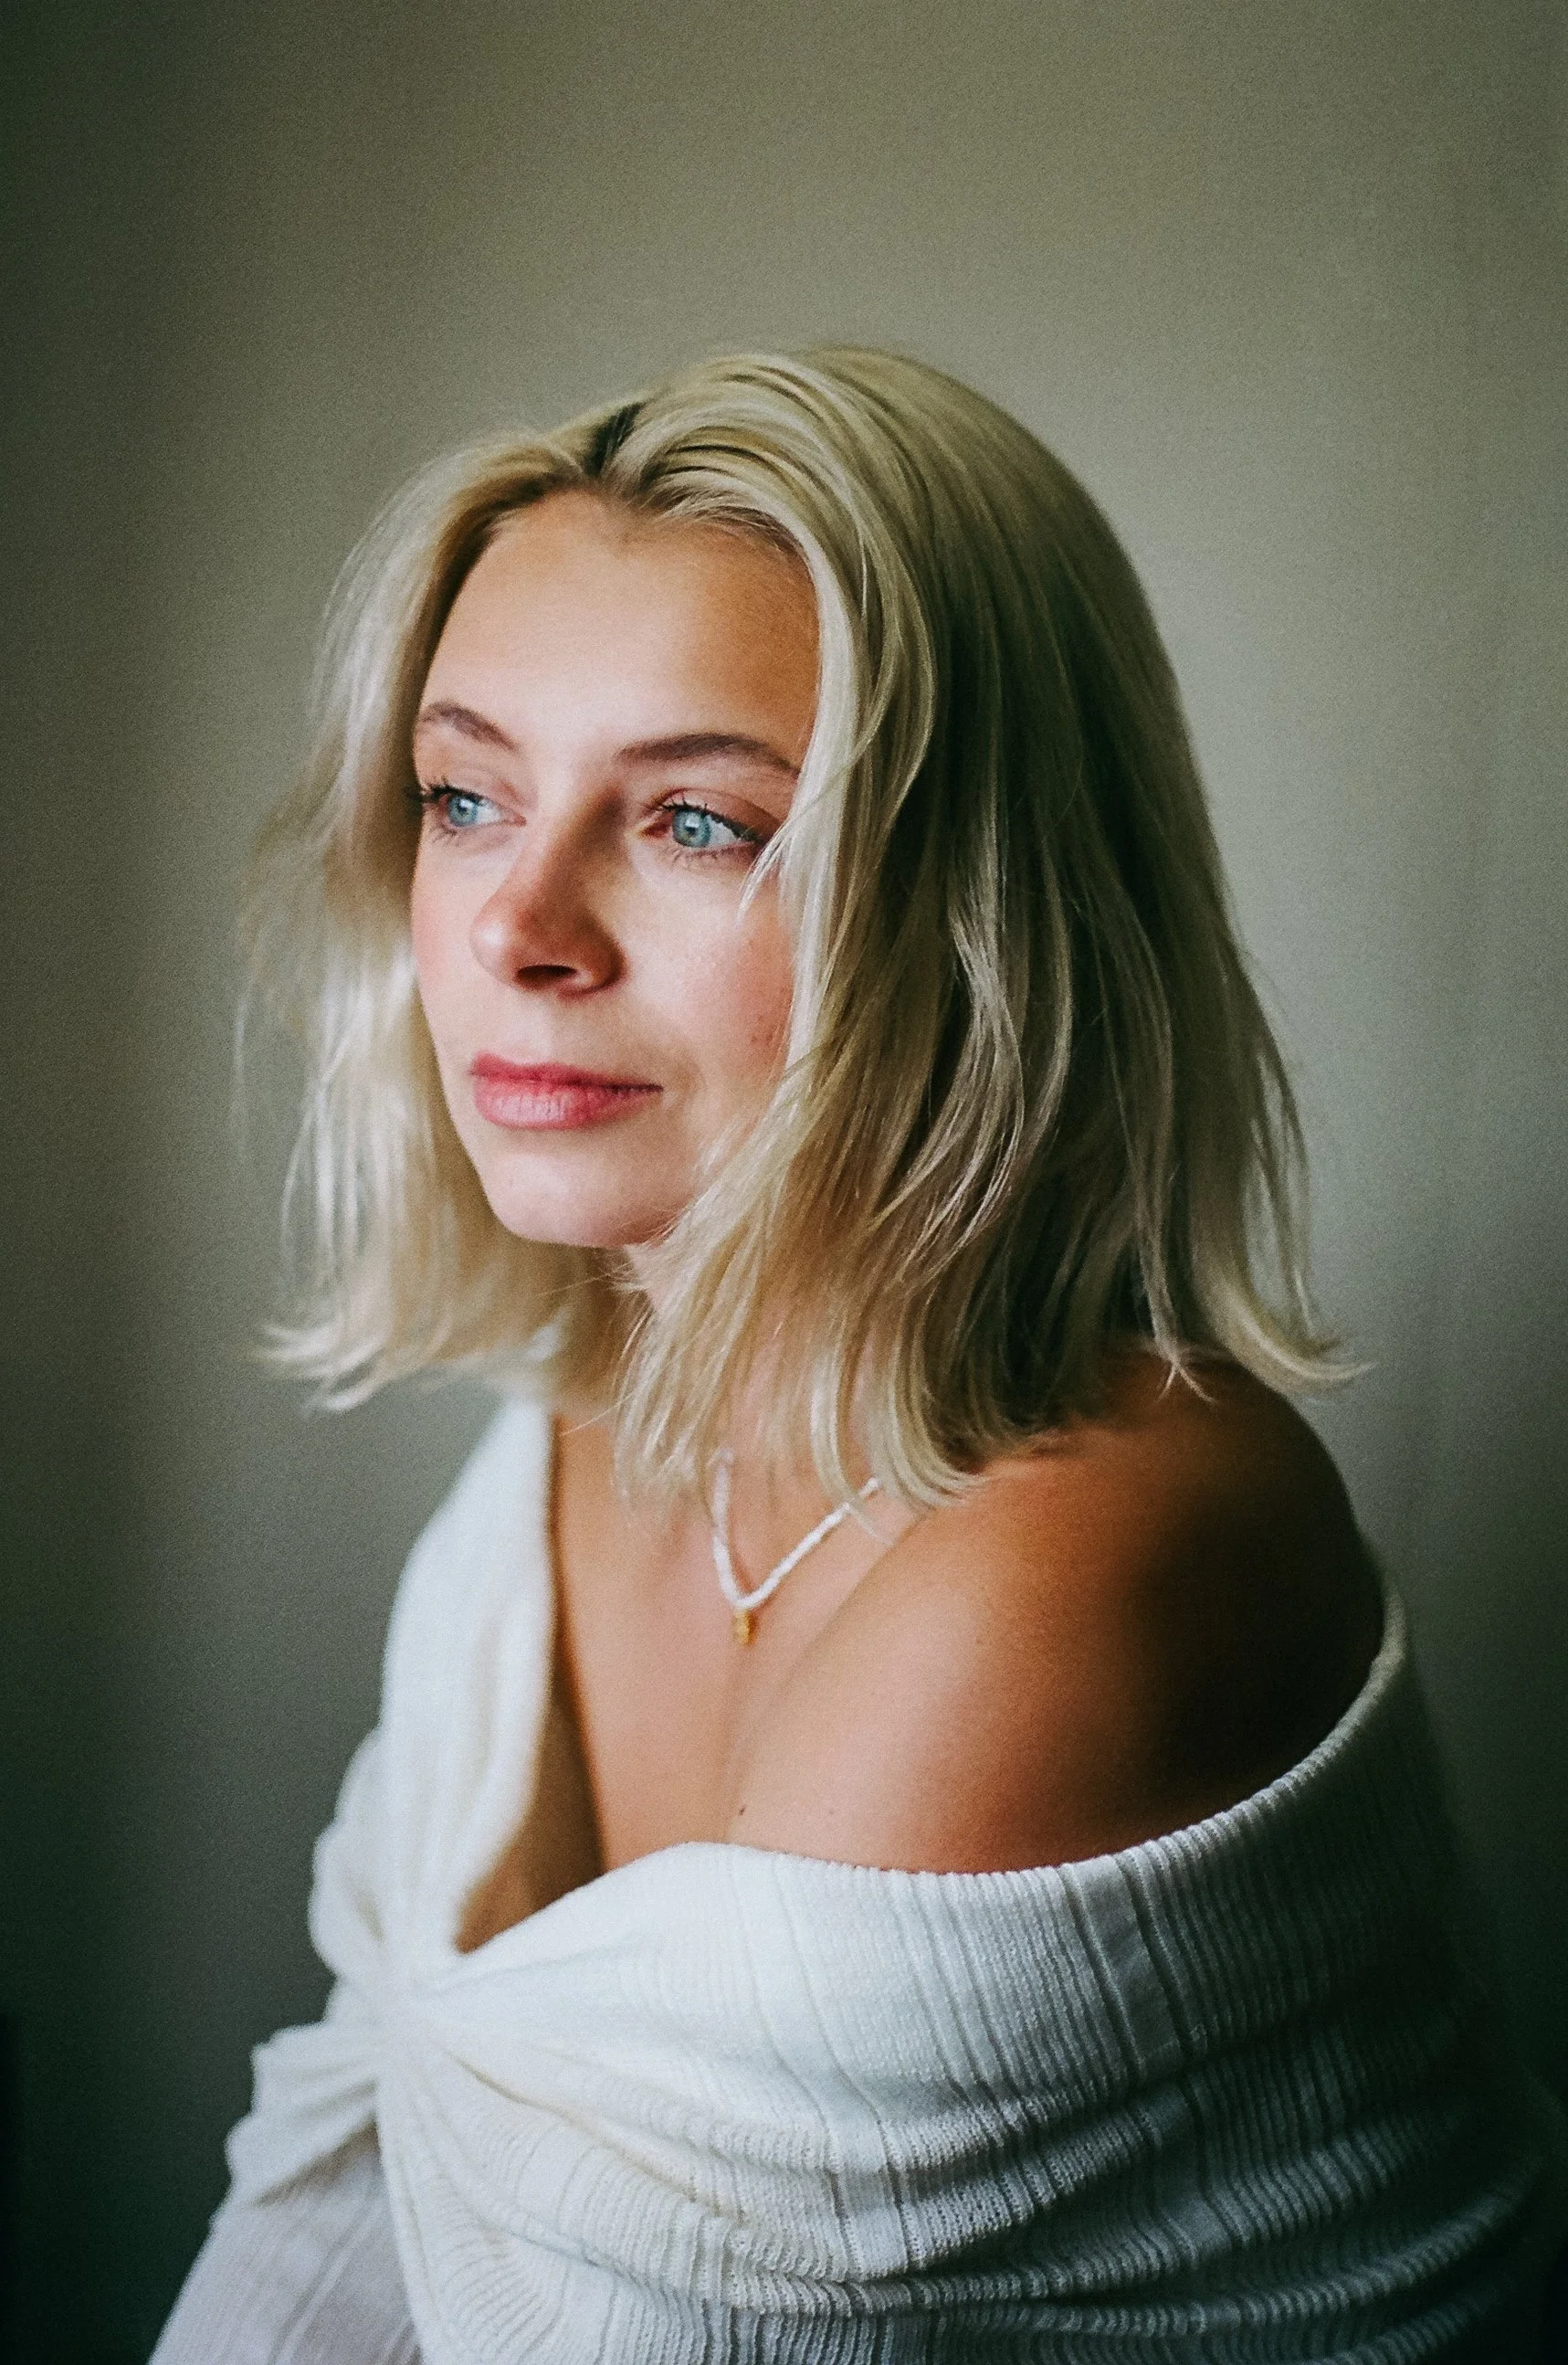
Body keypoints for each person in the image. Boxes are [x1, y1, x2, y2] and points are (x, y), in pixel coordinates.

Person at [152, 349, 1563, 2362]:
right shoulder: (585, 1421)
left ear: (982, 910)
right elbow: (362, 2158)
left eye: (699, 823)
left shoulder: (1076, 1569)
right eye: (466, 795)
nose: (518, 926)